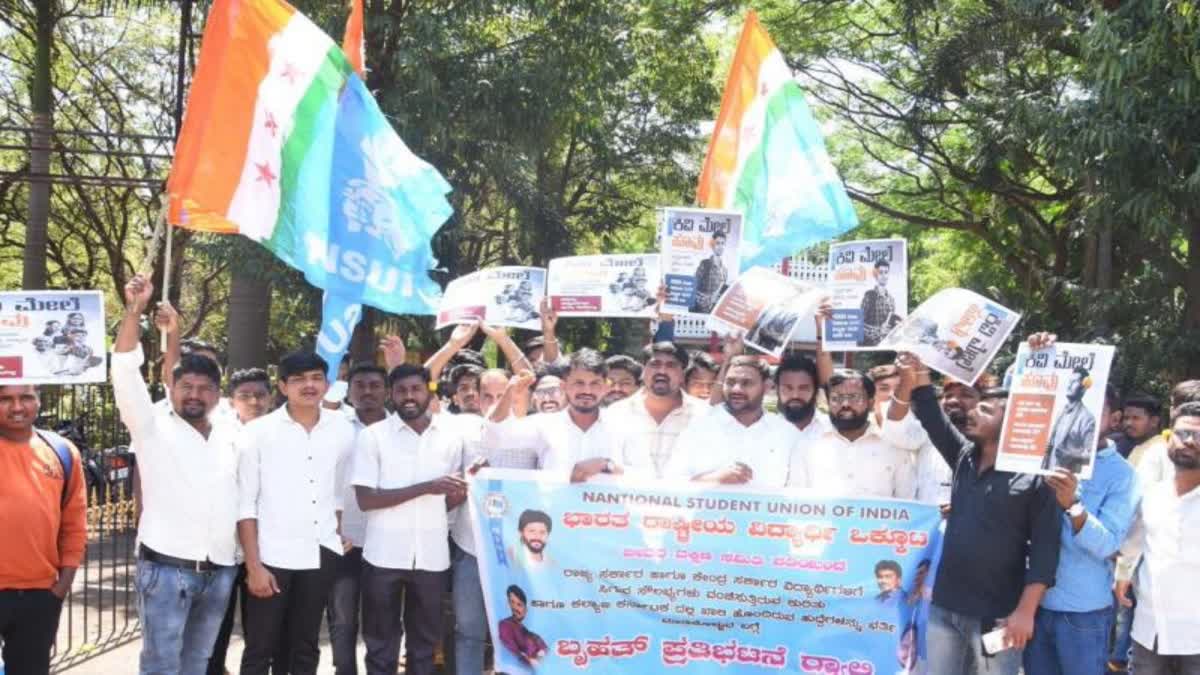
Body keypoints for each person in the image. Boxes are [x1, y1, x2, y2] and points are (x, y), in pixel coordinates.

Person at [889, 352, 1060, 675]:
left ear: (1010, 423)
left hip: (998, 616)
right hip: (944, 606)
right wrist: (920, 370)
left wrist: (1025, 611)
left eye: (984, 408)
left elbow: (1046, 550)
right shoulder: (964, 458)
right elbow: (930, 415)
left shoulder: (1036, 478)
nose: (971, 411)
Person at [111, 274, 241, 675]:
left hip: (219, 571)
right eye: (186, 386)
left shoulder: (231, 429)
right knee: (162, 666)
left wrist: (176, 334)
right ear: (172, 388)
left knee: (198, 664)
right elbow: (124, 370)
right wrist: (135, 310)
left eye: (205, 388)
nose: (194, 394)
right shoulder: (150, 424)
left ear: (218, 395)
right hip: (166, 572)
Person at [1021, 333, 1140, 675]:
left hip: (1081, 612)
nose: (1072, 386)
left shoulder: (1123, 476)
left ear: (1113, 420)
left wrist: (1072, 505)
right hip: (1033, 602)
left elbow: (1108, 544)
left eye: (1078, 382)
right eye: (1068, 382)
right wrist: (1036, 357)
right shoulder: (1059, 416)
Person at [237, 351, 356, 675]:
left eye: (316, 378)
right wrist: (254, 566)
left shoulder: (343, 430)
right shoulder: (257, 433)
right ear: (282, 386)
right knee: (261, 647)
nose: (309, 385)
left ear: (327, 384)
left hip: (321, 553)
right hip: (273, 556)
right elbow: (245, 505)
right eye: (299, 379)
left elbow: (337, 493)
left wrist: (337, 531)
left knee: (304, 647)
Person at [352, 363, 467, 675]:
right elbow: (366, 500)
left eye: (416, 389)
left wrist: (462, 491)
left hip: (432, 557)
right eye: (401, 390)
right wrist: (427, 488)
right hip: (383, 556)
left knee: (426, 646)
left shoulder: (450, 437)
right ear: (391, 394)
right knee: (380, 644)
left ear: (428, 391)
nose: (409, 396)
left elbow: (444, 503)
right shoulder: (373, 437)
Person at [450, 368, 541, 675]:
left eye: (501, 394)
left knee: (520, 633)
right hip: (471, 549)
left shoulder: (535, 433)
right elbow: (492, 427)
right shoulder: (466, 431)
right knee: (469, 632)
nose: (493, 402)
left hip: (521, 556)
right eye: (487, 395)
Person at [0, 384, 86, 675]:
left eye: (25, 397)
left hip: (40, 596)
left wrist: (62, 586)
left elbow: (75, 524)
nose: (16, 407)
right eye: (5, 399)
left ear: (38, 400)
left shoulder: (62, 452)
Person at [1114, 401, 1200, 674]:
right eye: (1182, 433)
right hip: (1148, 628)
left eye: (1198, 436)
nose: (1189, 442)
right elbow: (1134, 543)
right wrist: (1122, 575)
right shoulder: (1152, 494)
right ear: (1168, 438)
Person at [323, 363, 392, 675]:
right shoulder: (334, 426)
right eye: (360, 385)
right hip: (342, 537)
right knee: (342, 617)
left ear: (387, 391)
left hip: (387, 540)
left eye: (375, 385)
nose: (367, 391)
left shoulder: (400, 429)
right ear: (349, 391)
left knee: (383, 619)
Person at [207, 367, 275, 675]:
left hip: (268, 550)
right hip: (221, 549)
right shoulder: (218, 434)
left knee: (261, 632)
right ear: (231, 400)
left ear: (271, 398)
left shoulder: (282, 434)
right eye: (245, 396)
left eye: (260, 395)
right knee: (214, 631)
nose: (254, 402)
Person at [576, 342, 706, 481]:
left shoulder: (704, 416)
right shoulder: (617, 414)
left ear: (682, 374)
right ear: (644, 371)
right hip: (629, 500)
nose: (661, 371)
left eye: (671, 365)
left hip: (685, 501)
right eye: (655, 364)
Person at [666, 356, 801, 487]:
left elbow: (801, 492)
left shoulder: (786, 433)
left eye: (746, 383)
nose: (736, 389)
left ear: (767, 387)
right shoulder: (698, 427)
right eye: (730, 382)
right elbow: (671, 485)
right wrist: (714, 479)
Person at [483, 349, 613, 477]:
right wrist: (510, 391)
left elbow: (633, 475)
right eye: (579, 383)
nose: (587, 391)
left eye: (595, 383)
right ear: (564, 386)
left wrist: (606, 465)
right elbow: (496, 435)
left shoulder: (622, 425)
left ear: (606, 387)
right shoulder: (543, 425)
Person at [794, 369, 916, 498]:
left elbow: (907, 503)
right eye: (836, 398)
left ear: (870, 403)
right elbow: (795, 501)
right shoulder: (808, 443)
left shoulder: (894, 445)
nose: (845, 404)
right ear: (828, 402)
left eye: (855, 397)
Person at [1042, 367, 1098, 474]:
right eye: (1069, 382)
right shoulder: (1061, 412)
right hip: (1045, 476)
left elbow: (1091, 455)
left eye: (1074, 382)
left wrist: (1070, 456)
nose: (1069, 385)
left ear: (1084, 388)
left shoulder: (1087, 419)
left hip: (1066, 481)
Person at [498, 585, 548, 667]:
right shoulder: (505, 625)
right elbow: (514, 652)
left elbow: (544, 648)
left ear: (526, 609)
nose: (515, 608)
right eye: (512, 602)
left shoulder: (527, 631)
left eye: (519, 604)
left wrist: (541, 656)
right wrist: (531, 661)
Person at [860, 258, 900, 346]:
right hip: (870, 346)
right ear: (875, 274)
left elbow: (891, 327)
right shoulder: (869, 296)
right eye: (880, 272)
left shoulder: (891, 300)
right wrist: (879, 330)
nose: (884, 275)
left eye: (886, 272)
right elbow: (859, 324)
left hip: (886, 346)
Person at [689, 230, 728, 314]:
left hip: (714, 313)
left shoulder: (725, 270)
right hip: (700, 312)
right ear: (713, 245)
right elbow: (693, 287)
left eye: (723, 243)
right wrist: (708, 299)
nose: (720, 246)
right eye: (717, 243)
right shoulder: (705, 264)